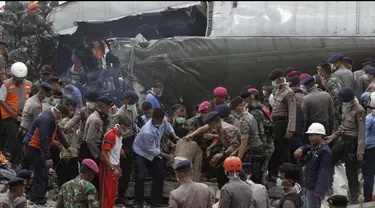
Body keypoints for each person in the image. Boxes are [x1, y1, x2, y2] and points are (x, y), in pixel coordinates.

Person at [23, 104, 73, 205]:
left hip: (38, 147)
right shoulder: (45, 120)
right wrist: (48, 157)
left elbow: (58, 132)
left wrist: (67, 146)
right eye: (62, 116)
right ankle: (37, 198)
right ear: (58, 113)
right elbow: (43, 140)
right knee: (39, 172)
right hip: (33, 147)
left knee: (43, 172)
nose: (62, 119)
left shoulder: (51, 117)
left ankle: (38, 195)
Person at [326, 87, 365, 204]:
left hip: (352, 142)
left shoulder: (359, 110)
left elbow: (361, 133)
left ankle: (354, 196)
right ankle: (328, 187)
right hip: (342, 139)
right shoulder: (345, 106)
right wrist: (332, 137)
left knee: (350, 170)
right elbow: (343, 127)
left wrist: (360, 150)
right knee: (329, 159)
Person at [132, 108, 176, 207]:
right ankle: (139, 201)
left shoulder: (163, 121)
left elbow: (169, 128)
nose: (162, 122)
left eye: (162, 119)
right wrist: (166, 156)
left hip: (154, 150)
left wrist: (175, 136)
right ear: (154, 119)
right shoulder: (147, 131)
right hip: (141, 152)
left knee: (160, 172)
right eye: (160, 120)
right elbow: (151, 149)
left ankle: (155, 200)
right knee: (140, 176)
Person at [186, 111, 240, 189]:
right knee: (215, 163)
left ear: (214, 122)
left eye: (210, 124)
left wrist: (222, 154)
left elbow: (235, 145)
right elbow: (203, 128)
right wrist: (192, 135)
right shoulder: (219, 127)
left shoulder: (227, 129)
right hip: (228, 150)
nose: (209, 127)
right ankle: (223, 187)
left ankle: (226, 188)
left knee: (221, 169)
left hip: (238, 151)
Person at [109, 91, 139, 206]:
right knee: (122, 170)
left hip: (131, 141)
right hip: (122, 143)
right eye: (131, 102)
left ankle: (122, 195)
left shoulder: (133, 109)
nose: (133, 104)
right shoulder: (119, 114)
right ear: (125, 101)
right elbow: (114, 132)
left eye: (134, 102)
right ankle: (117, 196)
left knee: (127, 171)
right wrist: (120, 148)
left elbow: (133, 124)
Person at [267, 68, 297, 182]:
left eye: (274, 80)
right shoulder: (276, 91)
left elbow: (292, 112)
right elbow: (274, 109)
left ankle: (288, 175)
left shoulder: (288, 92)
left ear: (280, 79)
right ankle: (274, 173)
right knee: (277, 149)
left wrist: (290, 129)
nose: (273, 83)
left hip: (283, 123)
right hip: (275, 123)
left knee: (284, 151)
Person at [0, 62, 32, 162]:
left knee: (22, 137)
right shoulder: (6, 84)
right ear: (13, 75)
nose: (20, 80)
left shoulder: (29, 84)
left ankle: (17, 160)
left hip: (23, 116)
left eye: (22, 78)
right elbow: (1, 99)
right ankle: (9, 158)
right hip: (9, 116)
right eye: (18, 78)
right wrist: (12, 113)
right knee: (14, 135)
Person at [294, 123, 332, 208]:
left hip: (315, 187)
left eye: (312, 135)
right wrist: (300, 149)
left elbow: (324, 172)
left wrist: (318, 189)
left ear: (320, 136)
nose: (309, 138)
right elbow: (307, 147)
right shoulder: (314, 147)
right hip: (309, 184)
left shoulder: (325, 151)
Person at [229, 96, 264, 184]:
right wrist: (235, 151)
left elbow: (244, 144)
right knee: (257, 176)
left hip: (253, 150)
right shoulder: (248, 115)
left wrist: (237, 161)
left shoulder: (244, 121)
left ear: (237, 108)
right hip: (257, 147)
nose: (233, 112)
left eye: (233, 109)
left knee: (250, 178)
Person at [242, 89, 274, 184]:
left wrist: (262, 146)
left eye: (244, 101)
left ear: (249, 99)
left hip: (264, 145)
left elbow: (261, 131)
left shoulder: (255, 112)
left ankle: (263, 192)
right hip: (264, 144)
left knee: (261, 172)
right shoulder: (257, 109)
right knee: (260, 171)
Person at [99, 115, 131, 208]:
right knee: (106, 193)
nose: (127, 131)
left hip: (114, 166)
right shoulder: (111, 135)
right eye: (127, 128)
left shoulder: (119, 135)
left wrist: (118, 166)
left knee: (112, 193)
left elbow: (116, 152)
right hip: (108, 166)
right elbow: (104, 154)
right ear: (122, 126)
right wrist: (113, 168)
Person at [55, 100, 80, 187]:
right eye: (70, 110)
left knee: (73, 174)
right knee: (63, 175)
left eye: (73, 110)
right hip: (64, 153)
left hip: (73, 152)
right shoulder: (63, 122)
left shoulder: (76, 122)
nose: (72, 112)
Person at [318, 62, 343, 130]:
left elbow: (336, 97)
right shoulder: (334, 78)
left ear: (324, 71)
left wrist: (337, 111)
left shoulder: (331, 82)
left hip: (337, 110)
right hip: (338, 109)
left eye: (319, 71)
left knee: (337, 128)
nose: (319, 73)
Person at [361, 92, 375, 202]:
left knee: (368, 175)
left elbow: (363, 135)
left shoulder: (369, 118)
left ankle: (368, 198)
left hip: (370, 149)